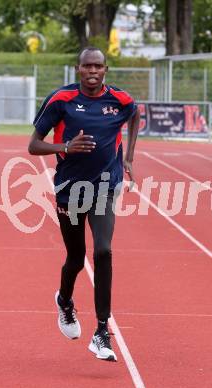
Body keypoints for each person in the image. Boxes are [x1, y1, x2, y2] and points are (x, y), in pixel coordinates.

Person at [28, 46, 140, 362]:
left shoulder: (120, 100)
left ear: (105, 69)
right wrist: (65, 146)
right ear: (78, 69)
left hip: (106, 187)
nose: (92, 71)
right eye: (87, 66)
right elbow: (33, 145)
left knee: (103, 250)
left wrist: (129, 157)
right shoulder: (61, 100)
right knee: (76, 258)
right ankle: (64, 300)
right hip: (70, 190)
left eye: (98, 67)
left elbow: (135, 115)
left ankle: (102, 330)